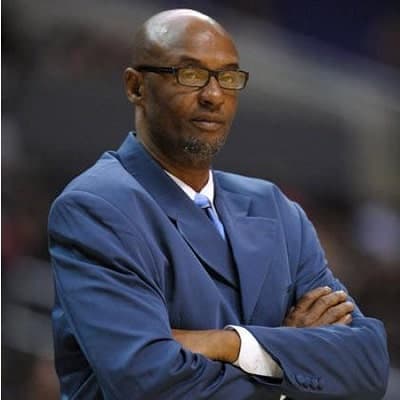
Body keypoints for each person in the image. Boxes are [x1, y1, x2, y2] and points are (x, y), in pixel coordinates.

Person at [48, 9, 389, 400]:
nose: (213, 95)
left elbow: (368, 364)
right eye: (190, 74)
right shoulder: (97, 206)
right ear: (136, 86)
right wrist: (293, 359)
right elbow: (147, 382)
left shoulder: (274, 207)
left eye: (227, 77)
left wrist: (233, 344)